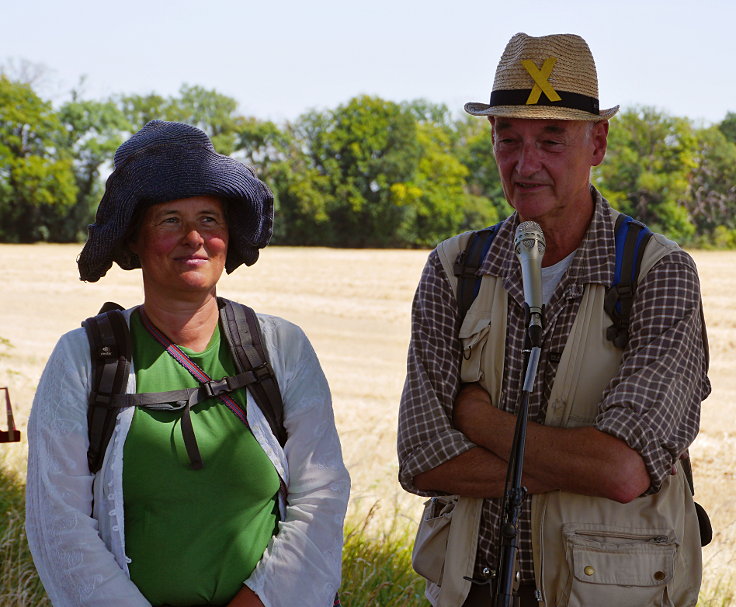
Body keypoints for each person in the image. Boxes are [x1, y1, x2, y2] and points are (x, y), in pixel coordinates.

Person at [397, 33, 710, 607]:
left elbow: (621, 470)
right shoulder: (454, 267)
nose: (525, 163)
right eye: (507, 138)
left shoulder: (657, 274)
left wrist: (475, 418)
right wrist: (574, 461)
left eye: (551, 138)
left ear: (599, 142)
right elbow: (421, 458)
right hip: (471, 589)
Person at [26, 120, 350, 607]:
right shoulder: (84, 360)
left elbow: (321, 496)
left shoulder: (281, 348)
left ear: (229, 236)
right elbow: (59, 524)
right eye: (170, 220)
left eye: (210, 220)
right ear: (135, 239)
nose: (194, 237)